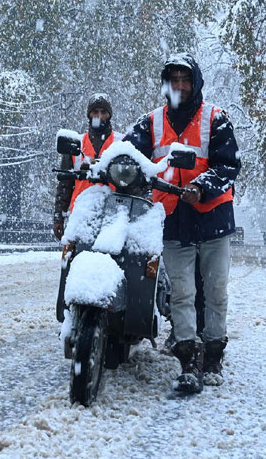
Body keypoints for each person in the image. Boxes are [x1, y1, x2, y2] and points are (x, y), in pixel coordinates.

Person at [124, 53, 240, 393]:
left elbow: (229, 164)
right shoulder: (150, 122)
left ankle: (214, 354)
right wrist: (115, 167)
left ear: (195, 84)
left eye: (185, 80)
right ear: (166, 85)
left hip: (212, 217)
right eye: (173, 80)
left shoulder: (215, 119)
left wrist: (201, 186)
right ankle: (189, 360)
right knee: (182, 292)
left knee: (215, 290)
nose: (179, 86)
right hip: (173, 218)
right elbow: (129, 152)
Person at [53, 93, 120, 240]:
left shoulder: (121, 143)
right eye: (95, 112)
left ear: (109, 115)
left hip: (113, 216)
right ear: (89, 115)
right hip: (80, 215)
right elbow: (64, 184)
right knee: (72, 260)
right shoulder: (76, 143)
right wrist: (59, 217)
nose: (99, 116)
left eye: (103, 112)